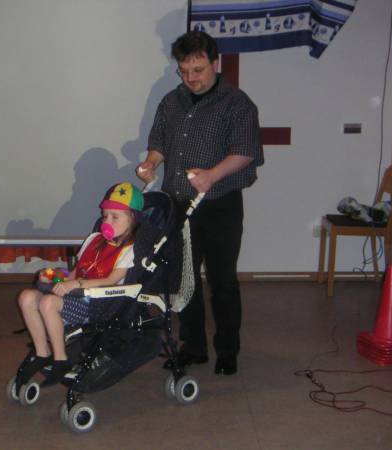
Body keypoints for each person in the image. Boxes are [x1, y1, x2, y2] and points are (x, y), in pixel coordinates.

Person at [136, 30, 264, 375]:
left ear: (215, 63)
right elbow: (159, 141)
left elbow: (246, 151)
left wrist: (213, 174)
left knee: (223, 281)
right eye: (184, 71)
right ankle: (193, 348)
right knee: (183, 280)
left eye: (198, 70)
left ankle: (227, 351)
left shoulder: (237, 103)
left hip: (220, 205)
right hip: (178, 205)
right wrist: (151, 163)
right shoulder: (171, 101)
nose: (191, 78)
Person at [15, 182, 144, 388]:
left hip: (96, 303)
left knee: (48, 303)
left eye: (115, 217)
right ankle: (42, 353)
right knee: (27, 297)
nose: (107, 221)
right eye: (105, 216)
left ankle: (60, 358)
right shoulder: (94, 239)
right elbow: (74, 272)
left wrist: (78, 284)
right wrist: (56, 276)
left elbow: (110, 280)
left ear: (133, 219)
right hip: (74, 294)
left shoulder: (129, 250)